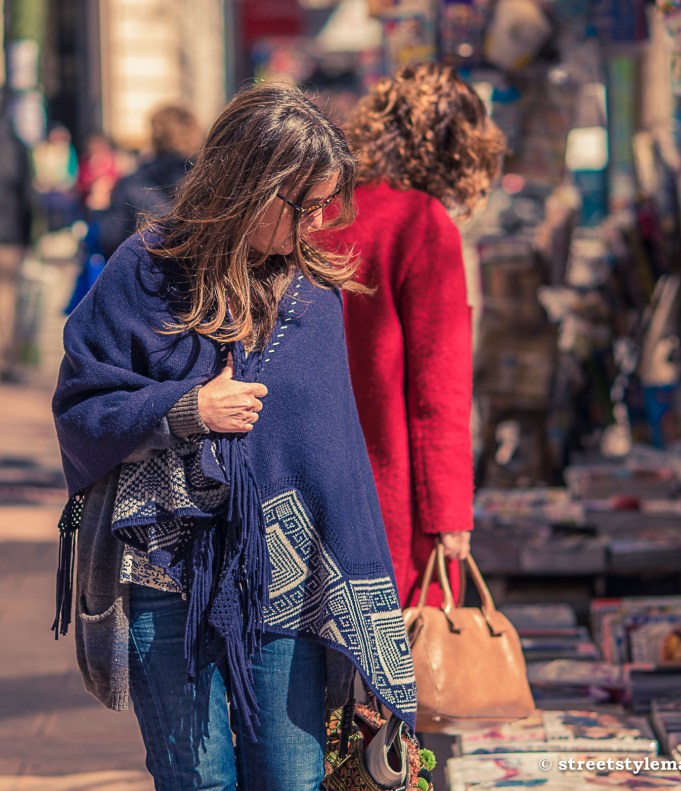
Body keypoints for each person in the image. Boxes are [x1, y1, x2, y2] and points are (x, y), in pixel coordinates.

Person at [51, 82, 417, 791]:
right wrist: (187, 408)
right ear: (249, 186)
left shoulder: (314, 298)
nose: (314, 224)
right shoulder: (145, 272)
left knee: (290, 775)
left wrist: (371, 627)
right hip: (162, 574)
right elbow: (81, 407)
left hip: (283, 586)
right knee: (197, 776)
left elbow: (334, 461)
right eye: (301, 205)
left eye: (324, 206)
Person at [321, 63, 505, 607]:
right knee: (398, 675)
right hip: (387, 494)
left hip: (306, 483)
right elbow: (438, 391)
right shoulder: (420, 223)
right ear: (461, 150)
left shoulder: (324, 206)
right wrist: (450, 515)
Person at [98, 104, 203, 259]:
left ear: (155, 136)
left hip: (145, 273)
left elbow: (109, 238)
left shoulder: (132, 183)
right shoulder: (209, 181)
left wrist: (97, 211)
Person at [0, 110, 32, 380]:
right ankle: (4, 362)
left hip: (9, 232)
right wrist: (27, 236)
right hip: (8, 235)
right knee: (6, 299)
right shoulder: (16, 145)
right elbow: (27, 196)